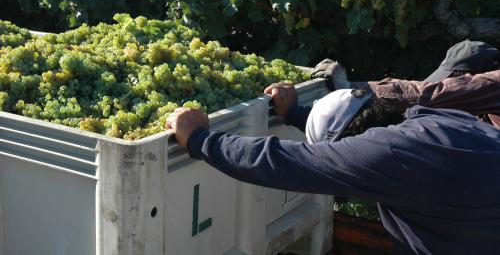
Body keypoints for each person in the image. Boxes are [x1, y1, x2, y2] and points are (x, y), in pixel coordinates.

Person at [166, 83, 500, 254]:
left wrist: (199, 139)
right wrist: (297, 113)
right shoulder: (428, 119)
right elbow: (349, 122)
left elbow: (282, 162)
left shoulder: (387, 154)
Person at [312, 39, 500, 128]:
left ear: (470, 78)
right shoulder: (487, 107)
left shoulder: (494, 84)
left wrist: (351, 87)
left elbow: (428, 94)